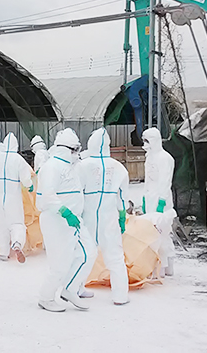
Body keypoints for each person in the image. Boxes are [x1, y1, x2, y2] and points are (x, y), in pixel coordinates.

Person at [36, 128, 96, 313]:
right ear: (64, 149)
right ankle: (45, 297)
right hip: (56, 220)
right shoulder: (51, 167)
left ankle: (70, 288)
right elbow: (47, 196)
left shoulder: (71, 166)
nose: (77, 153)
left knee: (88, 253)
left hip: (74, 220)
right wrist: (65, 212)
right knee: (59, 263)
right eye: (74, 149)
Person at [78, 128, 130, 305]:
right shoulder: (119, 168)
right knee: (115, 256)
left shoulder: (82, 166)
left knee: (84, 253)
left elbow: (76, 194)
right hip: (109, 217)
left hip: (87, 217)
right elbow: (122, 197)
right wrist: (122, 216)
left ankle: (76, 288)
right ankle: (120, 295)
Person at [0, 133, 34, 263]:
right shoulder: (18, 159)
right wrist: (30, 186)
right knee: (17, 223)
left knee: (0, 225)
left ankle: (2, 252)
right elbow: (25, 178)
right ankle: (17, 243)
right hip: (13, 197)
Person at [140, 127, 177, 276]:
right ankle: (158, 266)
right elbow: (148, 179)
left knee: (163, 233)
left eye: (147, 141)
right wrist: (144, 197)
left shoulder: (165, 158)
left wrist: (161, 201)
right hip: (150, 198)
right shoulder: (149, 157)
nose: (145, 144)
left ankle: (166, 267)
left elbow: (165, 181)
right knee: (152, 233)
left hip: (162, 200)